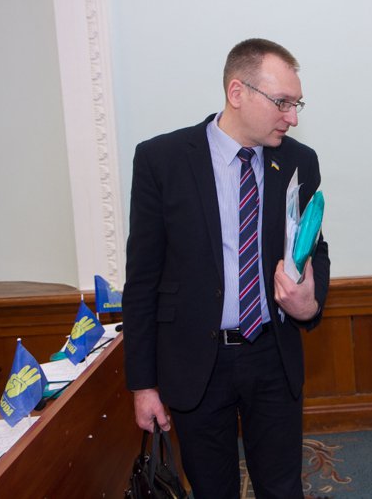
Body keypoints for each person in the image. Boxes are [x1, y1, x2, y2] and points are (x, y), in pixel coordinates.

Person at [122, 38, 330, 499]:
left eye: (296, 104)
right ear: (237, 92)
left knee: (282, 488)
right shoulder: (162, 160)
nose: (292, 117)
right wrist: (143, 385)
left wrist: (310, 303)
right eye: (282, 102)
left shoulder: (299, 161)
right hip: (196, 360)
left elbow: (314, 247)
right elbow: (142, 280)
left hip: (272, 353)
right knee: (212, 489)